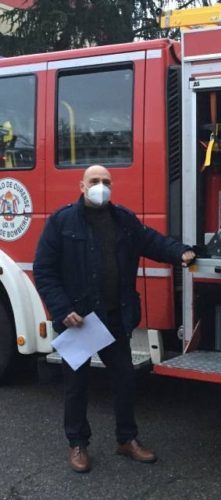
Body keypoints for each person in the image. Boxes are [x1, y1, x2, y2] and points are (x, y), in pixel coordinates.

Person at [33, 165, 195, 473]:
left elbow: (153, 242)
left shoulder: (123, 220)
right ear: (82, 186)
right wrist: (63, 308)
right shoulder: (62, 221)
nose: (101, 186)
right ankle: (77, 444)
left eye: (106, 181)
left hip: (113, 316)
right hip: (79, 320)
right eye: (94, 181)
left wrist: (181, 253)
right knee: (76, 386)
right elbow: (44, 269)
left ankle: (127, 439)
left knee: (124, 379)